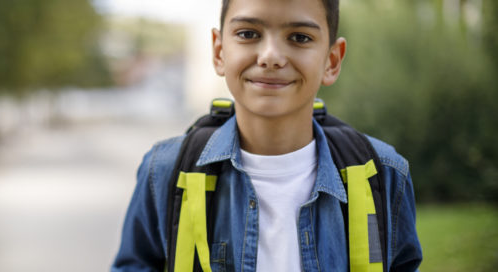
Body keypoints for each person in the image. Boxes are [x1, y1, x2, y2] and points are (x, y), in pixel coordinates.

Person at [112, 0, 423, 271]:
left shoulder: (384, 173)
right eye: (249, 34)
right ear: (220, 52)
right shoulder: (164, 171)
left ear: (332, 61)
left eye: (299, 37)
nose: (271, 56)